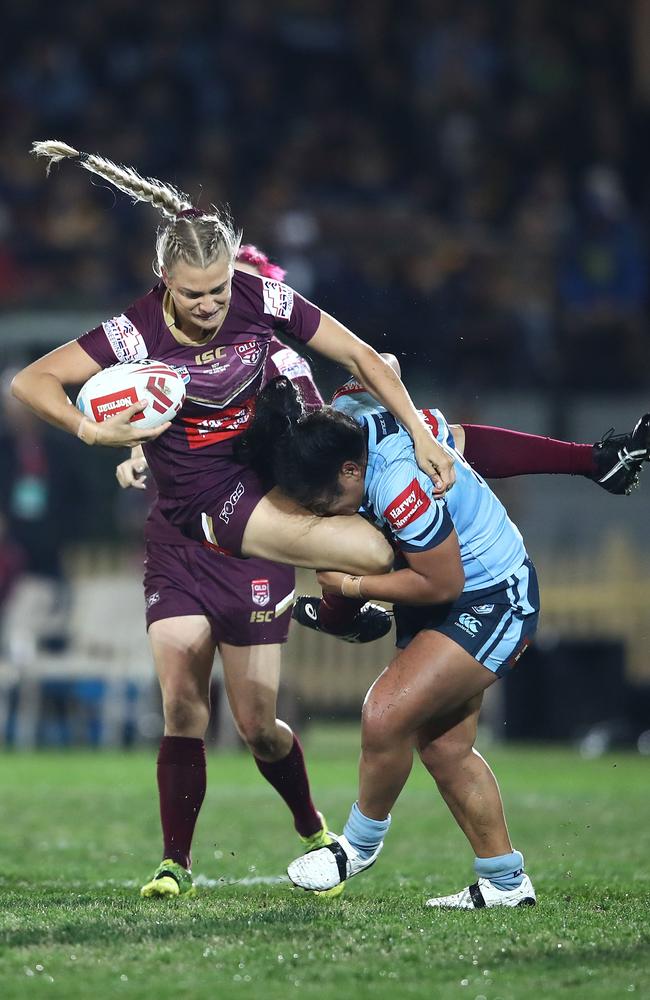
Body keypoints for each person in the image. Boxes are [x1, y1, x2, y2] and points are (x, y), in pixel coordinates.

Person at [11, 140, 453, 898]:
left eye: (219, 289)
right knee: (182, 702)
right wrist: (97, 432)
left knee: (258, 725)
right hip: (184, 525)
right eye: (195, 295)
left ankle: (312, 823)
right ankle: (173, 864)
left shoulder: (260, 300)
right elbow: (33, 381)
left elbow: (359, 355)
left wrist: (415, 429)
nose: (212, 305)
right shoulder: (133, 332)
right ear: (163, 282)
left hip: (254, 521)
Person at [235, 372, 640, 909]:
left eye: (326, 498)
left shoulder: (401, 485)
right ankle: (505, 883)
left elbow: (441, 581)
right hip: (443, 593)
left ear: (352, 469)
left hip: (489, 596)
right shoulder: (351, 416)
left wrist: (354, 589)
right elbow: (433, 411)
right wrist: (585, 459)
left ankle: (357, 846)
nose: (325, 511)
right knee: (445, 749)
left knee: (383, 713)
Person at [292, 355, 650, 641]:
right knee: (447, 440)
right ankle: (593, 459)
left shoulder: (393, 484)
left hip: (453, 562)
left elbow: (442, 583)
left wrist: (348, 589)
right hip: (433, 478)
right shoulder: (348, 404)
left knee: (346, 539)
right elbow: (384, 361)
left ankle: (336, 619)